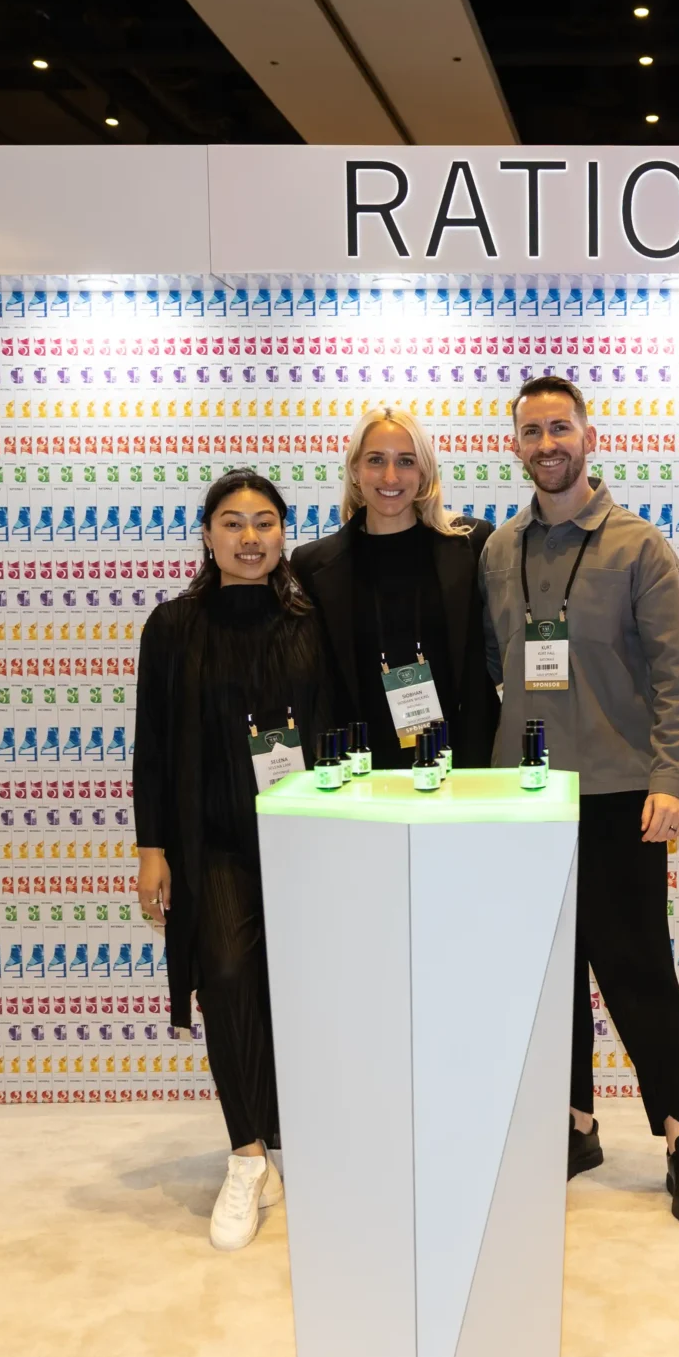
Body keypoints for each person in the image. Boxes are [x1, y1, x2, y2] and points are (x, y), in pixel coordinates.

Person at [484, 375, 679, 1224]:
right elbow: (496, 665)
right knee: (550, 976)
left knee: (638, 973)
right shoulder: (499, 550)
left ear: (589, 436)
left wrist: (672, 779)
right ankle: (576, 1123)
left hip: (621, 796)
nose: (547, 444)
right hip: (526, 800)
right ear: (515, 445)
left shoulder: (637, 547)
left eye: (561, 428)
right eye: (532, 431)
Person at [134, 471, 334, 1252]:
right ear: (207, 535)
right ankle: (247, 1153)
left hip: (307, 839)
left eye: (264, 521)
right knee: (224, 975)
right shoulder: (172, 626)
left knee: (299, 990)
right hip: (213, 839)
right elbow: (153, 745)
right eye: (231, 522)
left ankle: (289, 1135)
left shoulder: (313, 621)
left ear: (284, 532)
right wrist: (152, 849)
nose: (250, 537)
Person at [290, 409, 500, 770]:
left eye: (406, 461)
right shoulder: (312, 565)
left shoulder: (472, 544)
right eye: (376, 460)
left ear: (424, 473)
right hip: (360, 771)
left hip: (462, 766)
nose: (391, 476)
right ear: (355, 470)